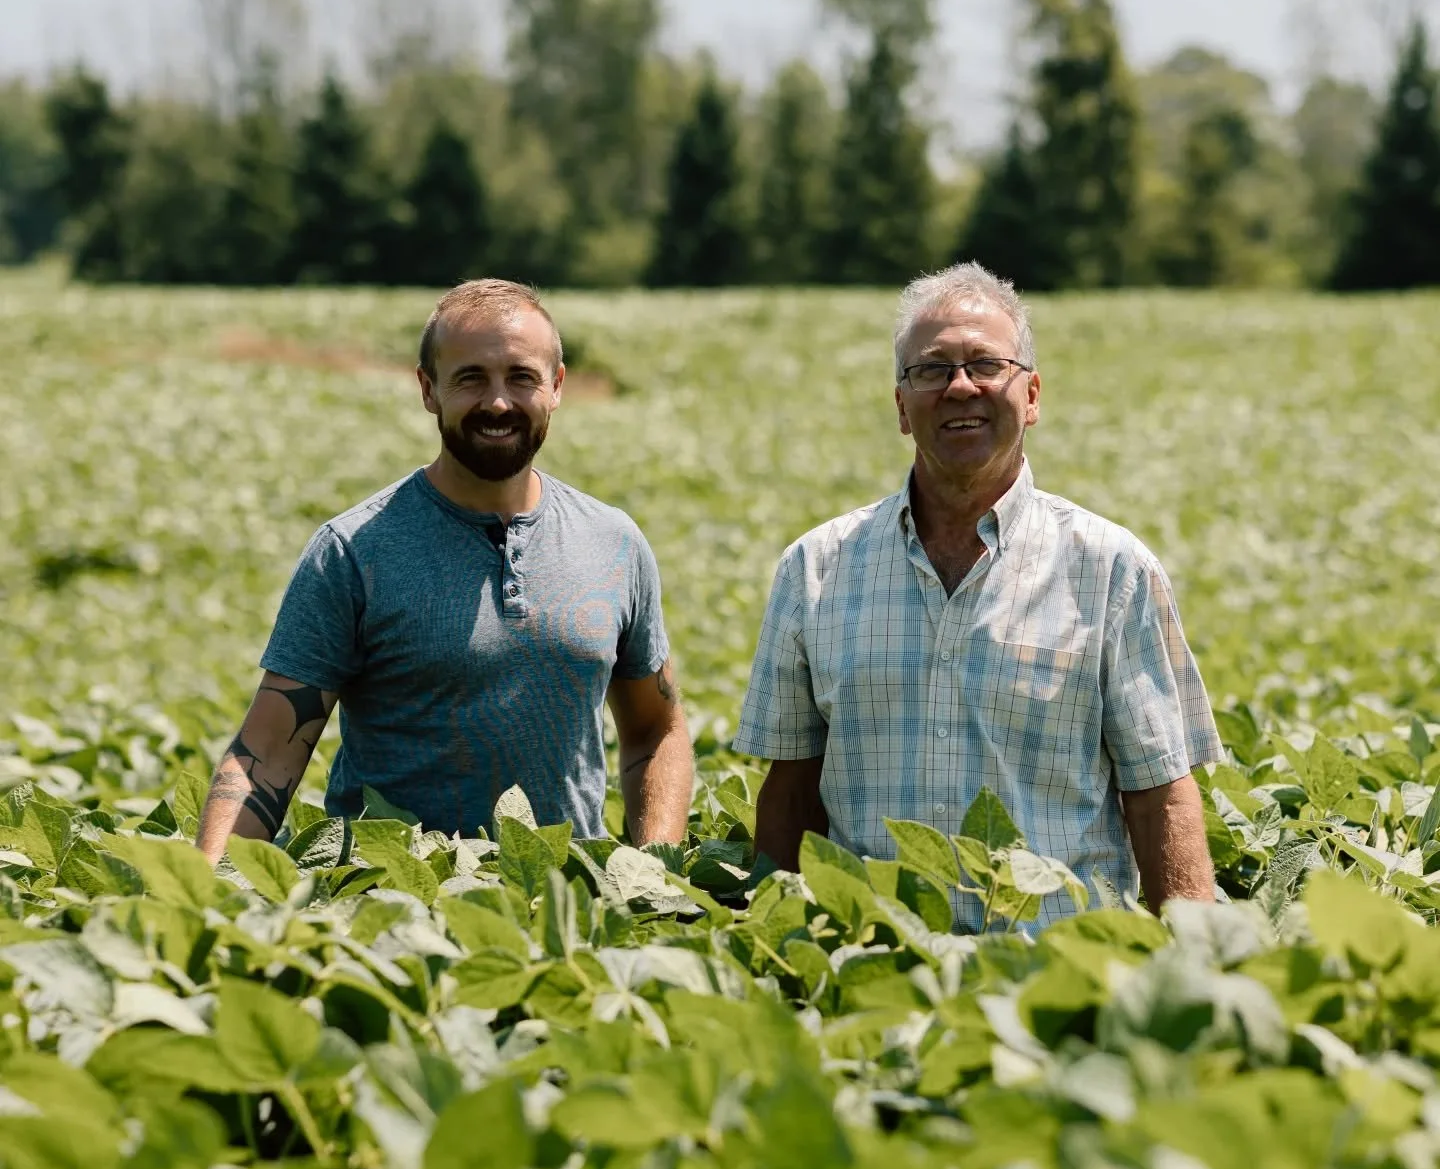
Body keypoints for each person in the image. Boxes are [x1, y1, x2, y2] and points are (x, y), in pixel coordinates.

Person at [732, 262, 1220, 927]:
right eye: (931, 370)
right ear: (902, 409)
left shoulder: (1111, 570)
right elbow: (790, 792)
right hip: (875, 970)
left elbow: (1160, 793)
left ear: (1034, 395)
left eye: (987, 365)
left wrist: (1190, 960)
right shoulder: (816, 569)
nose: (961, 387)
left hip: (1060, 976)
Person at [196, 279, 692, 861]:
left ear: (556, 387)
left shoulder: (614, 543)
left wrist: (654, 871)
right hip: (391, 905)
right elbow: (269, 750)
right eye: (470, 378)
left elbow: (656, 729)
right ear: (428, 390)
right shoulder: (353, 550)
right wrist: (209, 895)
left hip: (563, 904)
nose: (499, 402)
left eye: (521, 377)